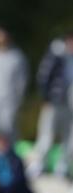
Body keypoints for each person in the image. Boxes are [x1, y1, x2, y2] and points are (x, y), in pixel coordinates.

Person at [27, 33, 73, 178]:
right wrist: (46, 98)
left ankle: (63, 167)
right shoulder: (55, 55)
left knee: (69, 138)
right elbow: (44, 76)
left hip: (70, 105)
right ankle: (39, 165)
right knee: (46, 135)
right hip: (54, 102)